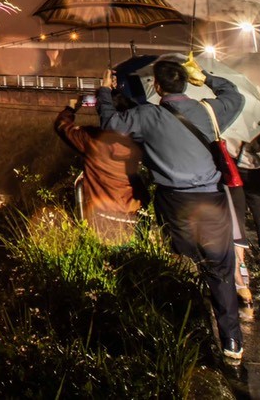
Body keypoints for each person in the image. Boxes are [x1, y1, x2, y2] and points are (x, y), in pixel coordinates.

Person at [98, 58, 245, 364]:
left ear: (158, 86)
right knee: (221, 269)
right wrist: (205, 77)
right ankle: (231, 339)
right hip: (212, 199)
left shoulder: (148, 115)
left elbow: (110, 124)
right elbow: (235, 95)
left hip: (174, 202)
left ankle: (186, 330)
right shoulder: (209, 110)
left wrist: (104, 91)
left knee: (182, 265)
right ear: (186, 81)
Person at [55, 95, 143, 242]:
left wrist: (71, 108)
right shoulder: (138, 138)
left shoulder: (92, 140)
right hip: (134, 211)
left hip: (102, 214)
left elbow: (62, 126)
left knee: (107, 258)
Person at [228, 138, 260, 277]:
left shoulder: (226, 123)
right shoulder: (252, 124)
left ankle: (241, 262)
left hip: (233, 169)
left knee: (237, 214)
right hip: (253, 168)